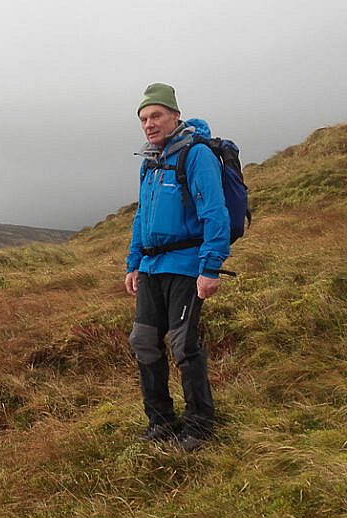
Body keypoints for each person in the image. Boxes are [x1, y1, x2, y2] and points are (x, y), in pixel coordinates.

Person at [125, 83, 231, 451]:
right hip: (152, 267)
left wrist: (211, 267)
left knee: (183, 344)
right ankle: (161, 421)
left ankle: (200, 425)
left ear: (174, 115)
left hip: (187, 267)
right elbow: (142, 216)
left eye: (155, 115)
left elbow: (215, 212)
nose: (149, 124)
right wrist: (133, 261)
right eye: (143, 118)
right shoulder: (149, 162)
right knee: (143, 341)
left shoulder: (196, 155)